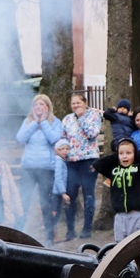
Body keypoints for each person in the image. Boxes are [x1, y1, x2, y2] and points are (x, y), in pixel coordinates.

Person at [93, 139, 140, 242]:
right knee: (120, 249)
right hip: (120, 216)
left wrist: (136, 154)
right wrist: (116, 156)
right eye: (121, 153)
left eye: (128, 153)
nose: (125, 156)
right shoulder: (114, 170)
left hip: (137, 215)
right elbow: (98, 164)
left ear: (135, 154)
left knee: (137, 248)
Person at [16, 95, 63, 235]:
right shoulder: (28, 121)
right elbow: (20, 138)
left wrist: (43, 123)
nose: (38, 107)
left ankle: (49, 237)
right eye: (35, 104)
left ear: (47, 107)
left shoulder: (55, 122)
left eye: (41, 104)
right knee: (23, 202)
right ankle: (16, 232)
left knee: (46, 204)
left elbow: (54, 138)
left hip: (46, 169)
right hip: (28, 169)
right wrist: (34, 123)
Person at [61, 93, 102, 240]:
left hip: (88, 161)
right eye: (74, 104)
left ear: (85, 103)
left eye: (78, 103)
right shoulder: (67, 119)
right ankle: (70, 229)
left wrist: (81, 119)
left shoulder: (94, 116)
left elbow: (93, 133)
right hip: (71, 162)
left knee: (88, 194)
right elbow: (63, 138)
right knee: (70, 195)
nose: (76, 106)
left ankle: (86, 228)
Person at [49, 139, 71, 247]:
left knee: (56, 214)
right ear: (58, 150)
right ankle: (53, 236)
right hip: (56, 193)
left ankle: (55, 235)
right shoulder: (58, 161)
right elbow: (58, 178)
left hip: (58, 192)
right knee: (54, 214)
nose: (65, 151)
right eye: (63, 149)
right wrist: (63, 193)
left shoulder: (62, 161)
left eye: (67, 149)